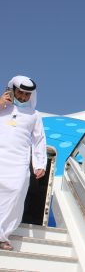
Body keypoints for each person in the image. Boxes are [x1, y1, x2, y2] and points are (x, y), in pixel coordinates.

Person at [0, 75, 47, 251]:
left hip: (18, 162)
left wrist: (40, 164)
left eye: (28, 94)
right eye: (21, 92)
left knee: (16, 194)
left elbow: (39, 140)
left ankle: (2, 236)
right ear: (12, 90)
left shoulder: (34, 115)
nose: (24, 97)